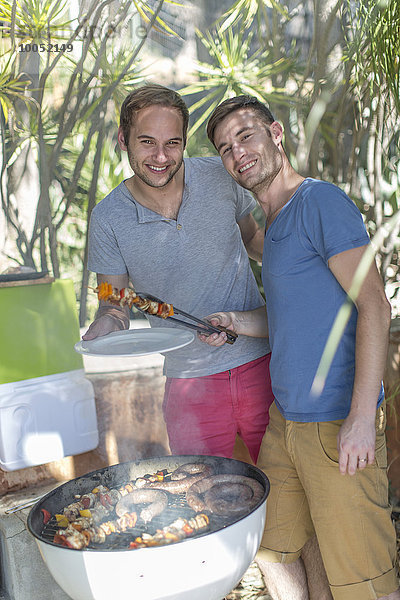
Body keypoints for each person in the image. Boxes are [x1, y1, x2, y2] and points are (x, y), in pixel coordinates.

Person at [203, 95, 399, 600]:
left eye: (245, 136)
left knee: (364, 579)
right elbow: (291, 316)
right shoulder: (275, 228)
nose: (237, 153)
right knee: (272, 550)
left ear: (276, 133)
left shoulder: (320, 203)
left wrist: (360, 417)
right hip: (285, 423)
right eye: (225, 148)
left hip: (336, 423)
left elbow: (374, 306)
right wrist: (233, 322)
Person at [82, 84, 273, 464]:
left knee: (285, 489)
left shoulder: (220, 176)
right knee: (200, 496)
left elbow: (253, 239)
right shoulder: (107, 219)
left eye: (172, 143)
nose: (160, 156)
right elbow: (114, 303)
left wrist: (309, 267)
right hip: (189, 386)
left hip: (263, 365)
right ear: (123, 139)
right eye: (147, 142)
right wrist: (107, 325)